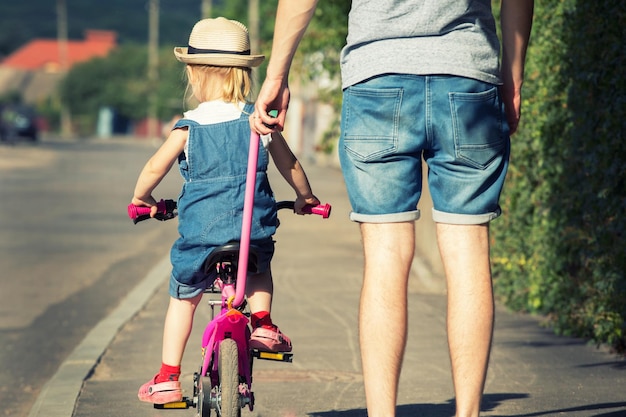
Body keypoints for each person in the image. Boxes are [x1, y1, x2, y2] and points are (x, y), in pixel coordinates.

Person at [251, 1, 533, 417]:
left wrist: (277, 75)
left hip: (377, 78)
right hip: (467, 78)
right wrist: (512, 77)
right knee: (468, 252)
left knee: (385, 257)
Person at [133, 17, 320, 405]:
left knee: (183, 296)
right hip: (251, 231)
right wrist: (306, 198)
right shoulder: (258, 122)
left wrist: (143, 200)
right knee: (260, 264)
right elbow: (291, 167)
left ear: (194, 76)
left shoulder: (187, 127)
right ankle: (263, 324)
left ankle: (168, 376)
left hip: (200, 238)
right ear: (244, 76)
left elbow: (154, 168)